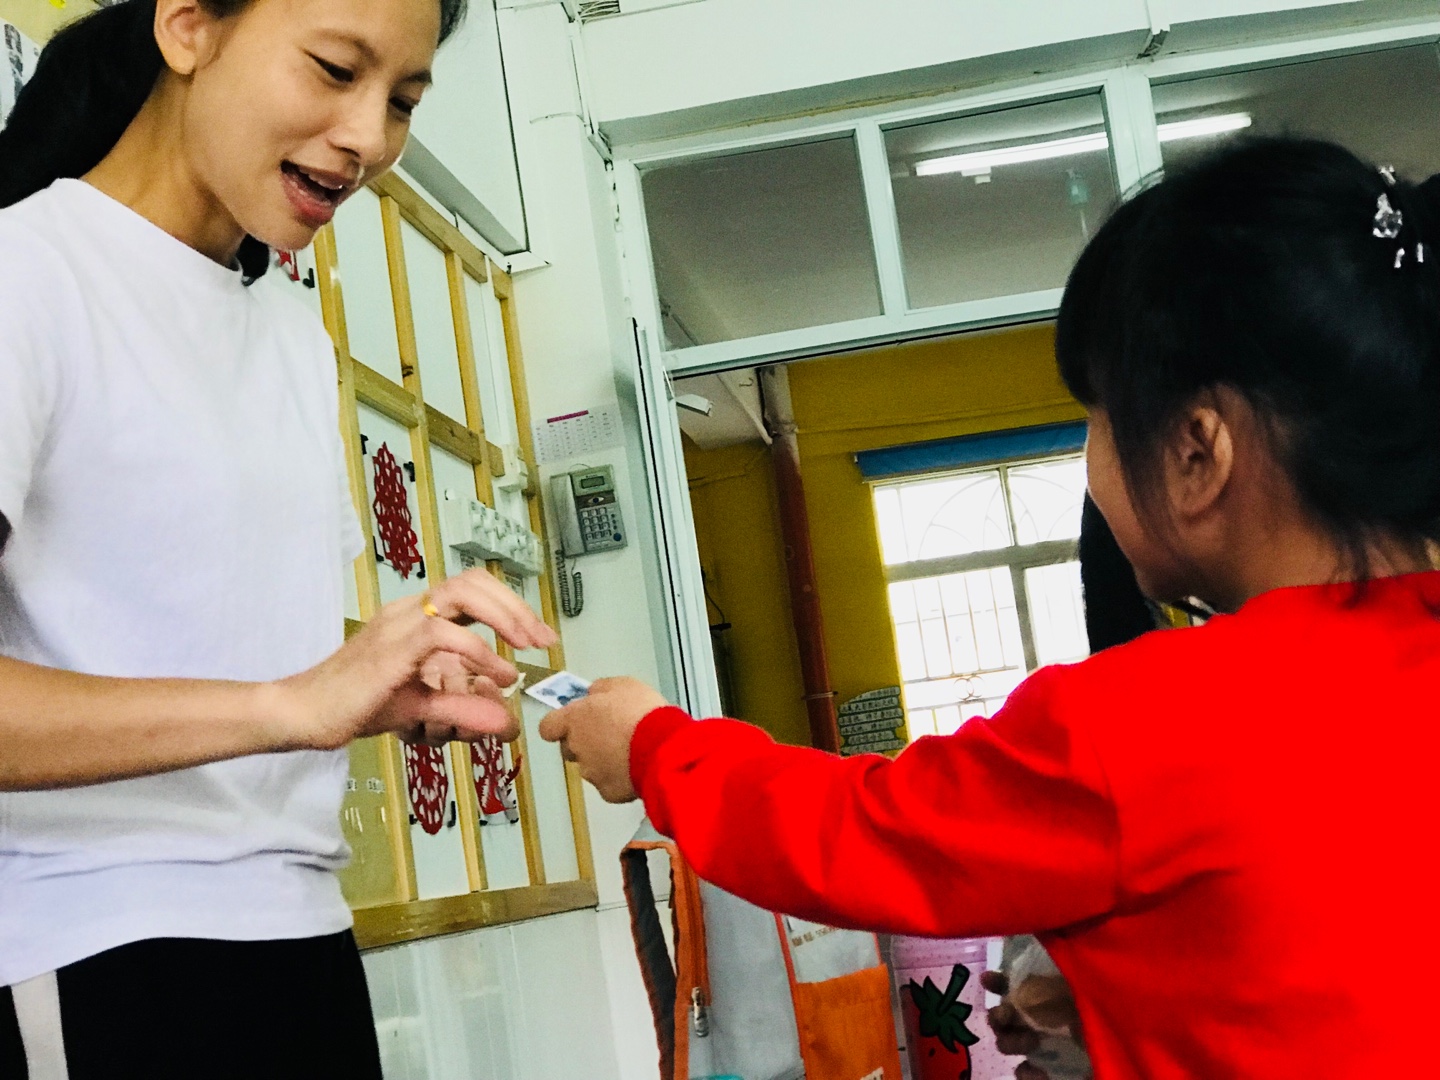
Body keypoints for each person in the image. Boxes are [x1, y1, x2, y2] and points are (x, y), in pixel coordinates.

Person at [542, 137, 1440, 1079]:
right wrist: (1125, 1001)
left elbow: (859, 835)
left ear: (1195, 451)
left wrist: (655, 748)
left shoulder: (1150, 725)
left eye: (1096, 416)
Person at [0, 0, 552, 1075]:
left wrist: (372, 684)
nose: (368, 138)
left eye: (402, 101)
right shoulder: (29, 279)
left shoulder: (292, 336)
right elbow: (272, 703)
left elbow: (233, 659)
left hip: (302, 936)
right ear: (187, 27)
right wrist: (289, 706)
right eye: (335, 69)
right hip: (97, 947)